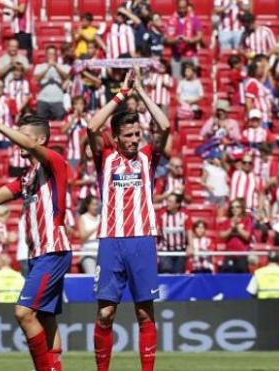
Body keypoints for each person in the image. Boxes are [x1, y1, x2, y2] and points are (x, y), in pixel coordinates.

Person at [0, 112, 72, 371]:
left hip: (53, 249)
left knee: (23, 312)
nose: (20, 142)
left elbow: (31, 146)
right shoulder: (27, 177)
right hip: (38, 255)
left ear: (42, 138)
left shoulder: (54, 163)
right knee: (46, 318)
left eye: (25, 135)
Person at [87, 65, 170, 371]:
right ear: (117, 138)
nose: (135, 139)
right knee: (105, 314)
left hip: (143, 240)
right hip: (111, 241)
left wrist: (141, 93)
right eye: (129, 135)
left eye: (138, 134)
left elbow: (166, 126)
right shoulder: (106, 157)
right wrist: (122, 93)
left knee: (145, 313)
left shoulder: (148, 156)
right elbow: (92, 128)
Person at [33, 45, 70, 120]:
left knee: (59, 120)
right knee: (41, 123)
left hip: (58, 99)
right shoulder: (39, 66)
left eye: (53, 54)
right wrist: (47, 67)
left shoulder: (63, 66)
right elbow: (36, 79)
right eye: (49, 54)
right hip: (43, 99)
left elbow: (66, 77)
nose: (51, 56)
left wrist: (56, 66)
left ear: (56, 55)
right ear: (46, 55)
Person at [158, 194, 190, 274]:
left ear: (177, 204)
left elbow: (188, 231)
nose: (167, 203)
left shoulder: (184, 215)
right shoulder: (162, 214)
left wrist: (190, 245)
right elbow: (157, 231)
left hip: (180, 251)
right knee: (166, 272)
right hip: (165, 250)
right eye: (167, 201)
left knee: (179, 274)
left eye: (170, 202)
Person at [78, 195, 100, 274]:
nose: (95, 207)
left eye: (97, 204)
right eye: (93, 204)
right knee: (91, 275)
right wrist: (97, 227)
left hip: (101, 253)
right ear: (88, 205)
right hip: (88, 254)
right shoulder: (83, 218)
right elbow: (83, 236)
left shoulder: (101, 218)